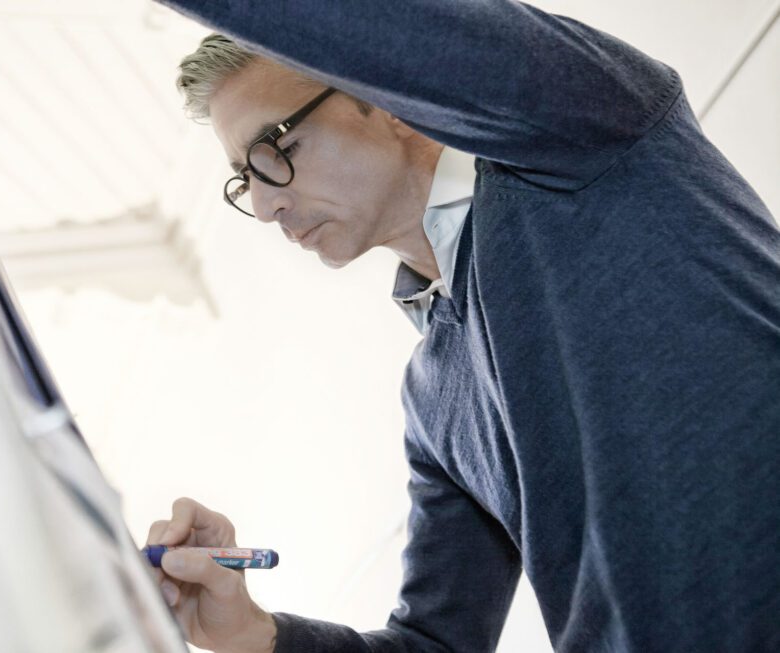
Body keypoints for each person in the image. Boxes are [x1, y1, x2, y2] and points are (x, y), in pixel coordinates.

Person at [144, 2, 780, 651]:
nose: (263, 201)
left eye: (275, 147)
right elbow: (435, 640)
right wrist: (253, 633)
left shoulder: (579, 134)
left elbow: (414, 34)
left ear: (385, 92)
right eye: (242, 178)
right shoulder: (430, 395)